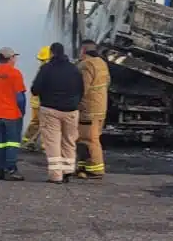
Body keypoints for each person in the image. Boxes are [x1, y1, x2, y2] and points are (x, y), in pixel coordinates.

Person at [29, 41, 83, 183]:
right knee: (69, 141)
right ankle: (68, 171)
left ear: (52, 53)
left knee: (52, 142)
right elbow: (81, 89)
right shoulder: (74, 69)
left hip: (50, 109)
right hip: (71, 110)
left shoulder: (46, 68)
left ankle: (56, 175)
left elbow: (35, 89)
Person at [0, 48, 27, 180]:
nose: (15, 60)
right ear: (11, 58)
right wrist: (22, 111)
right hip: (12, 114)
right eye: (14, 57)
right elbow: (20, 97)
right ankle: (11, 169)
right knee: (12, 142)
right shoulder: (15, 73)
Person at [75, 41, 111, 179]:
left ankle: (95, 169)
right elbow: (107, 82)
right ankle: (85, 166)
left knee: (88, 139)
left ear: (83, 50)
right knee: (92, 138)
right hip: (100, 108)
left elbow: (82, 88)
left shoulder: (86, 65)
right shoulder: (101, 63)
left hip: (87, 109)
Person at [22, 45, 51, 151]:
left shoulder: (42, 69)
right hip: (43, 102)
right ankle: (44, 146)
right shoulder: (47, 70)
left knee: (35, 122)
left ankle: (27, 141)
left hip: (36, 102)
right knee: (46, 124)